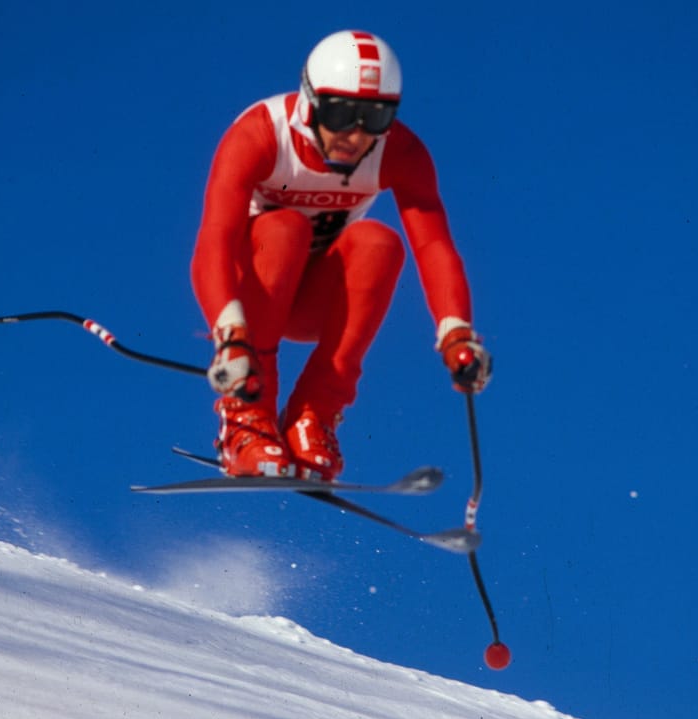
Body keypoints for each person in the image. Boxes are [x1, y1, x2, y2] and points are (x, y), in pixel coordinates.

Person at [191, 29, 491, 481]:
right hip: (250, 298)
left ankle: (313, 415)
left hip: (314, 301)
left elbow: (432, 245)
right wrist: (230, 335)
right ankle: (246, 421)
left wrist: (457, 333)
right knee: (285, 226)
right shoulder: (261, 135)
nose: (354, 133)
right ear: (310, 102)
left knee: (378, 242)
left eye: (374, 117)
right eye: (340, 112)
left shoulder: (399, 152)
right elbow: (213, 239)